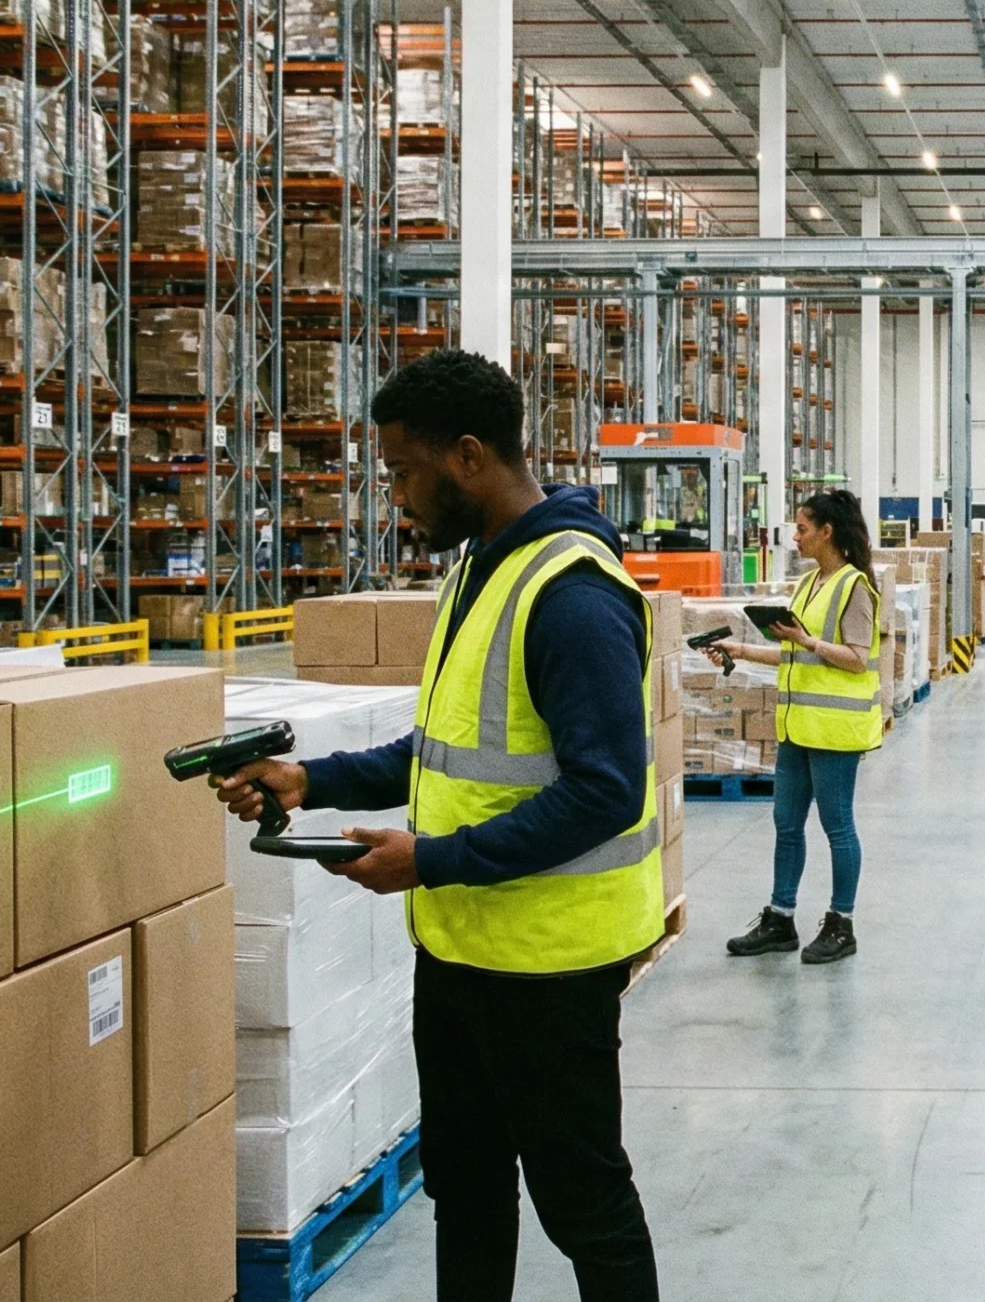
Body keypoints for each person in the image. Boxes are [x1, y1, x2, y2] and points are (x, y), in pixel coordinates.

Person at [214, 350, 662, 1302]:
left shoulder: (572, 595)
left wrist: (432, 859)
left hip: (546, 966)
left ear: (466, 457)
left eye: (403, 471)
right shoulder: (478, 571)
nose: (397, 495)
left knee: (583, 1203)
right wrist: (310, 779)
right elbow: (448, 748)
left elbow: (607, 790)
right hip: (460, 950)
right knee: (465, 1191)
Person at [710, 488, 884, 965]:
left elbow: (857, 659)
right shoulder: (808, 584)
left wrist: (805, 640)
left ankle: (841, 923)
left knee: (837, 826)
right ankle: (781, 917)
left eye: (803, 528)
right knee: (786, 824)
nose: (795, 536)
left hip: (833, 731)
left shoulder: (856, 588)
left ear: (827, 532)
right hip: (796, 727)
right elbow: (795, 650)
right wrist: (742, 651)